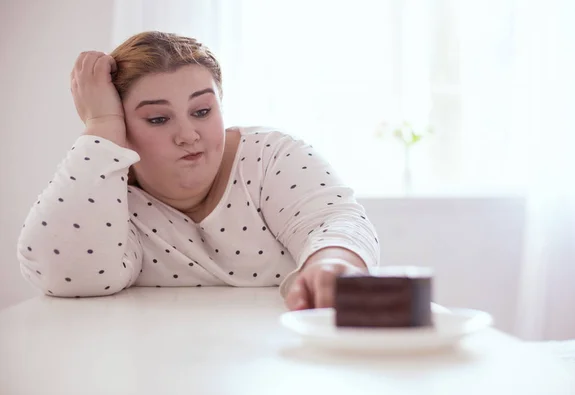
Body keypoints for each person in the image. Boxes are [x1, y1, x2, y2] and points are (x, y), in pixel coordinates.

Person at [16, 31, 380, 310]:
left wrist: (332, 261)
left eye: (202, 111)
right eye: (158, 119)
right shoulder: (106, 194)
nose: (188, 135)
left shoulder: (271, 157)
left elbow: (333, 223)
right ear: (123, 130)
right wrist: (100, 125)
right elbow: (67, 276)